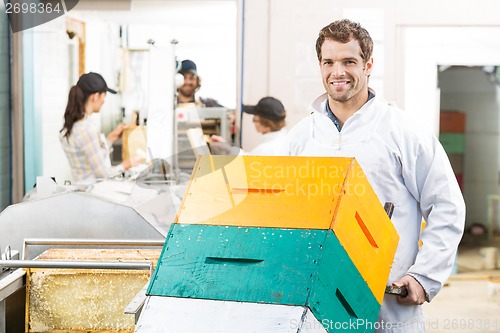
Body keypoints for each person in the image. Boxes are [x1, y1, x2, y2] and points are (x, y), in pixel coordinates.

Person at [283, 19, 465, 332]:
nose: (337, 72)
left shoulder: (402, 131)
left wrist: (424, 276)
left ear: (368, 65)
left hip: (389, 304)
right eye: (329, 62)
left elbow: (447, 206)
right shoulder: (303, 136)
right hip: (315, 302)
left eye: (349, 61)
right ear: (320, 65)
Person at [60, 72, 136, 182]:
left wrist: (111, 138)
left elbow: (90, 154)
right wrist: (126, 165)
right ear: (96, 96)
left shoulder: (74, 125)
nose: (104, 101)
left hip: (81, 190)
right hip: (91, 192)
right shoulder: (86, 129)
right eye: (104, 96)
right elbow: (103, 174)